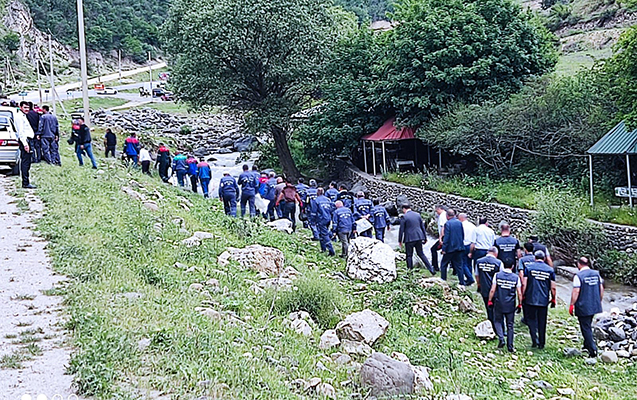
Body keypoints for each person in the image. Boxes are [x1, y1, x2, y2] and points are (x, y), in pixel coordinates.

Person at [570, 257, 604, 358]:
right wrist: (599, 300)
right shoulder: (596, 274)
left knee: (585, 328)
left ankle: (593, 350)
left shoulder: (578, 276)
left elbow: (576, 291)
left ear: (579, 264)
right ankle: (586, 345)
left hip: (583, 306)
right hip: (594, 304)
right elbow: (601, 288)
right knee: (588, 324)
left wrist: (572, 304)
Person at [522, 250, 556, 349]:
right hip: (543, 300)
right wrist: (553, 299)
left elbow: (524, 283)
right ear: (544, 258)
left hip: (530, 298)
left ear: (534, 258)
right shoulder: (550, 270)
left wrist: (522, 296)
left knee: (531, 319)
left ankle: (534, 339)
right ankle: (541, 343)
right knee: (542, 321)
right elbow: (553, 287)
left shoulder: (529, 268)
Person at [488, 261, 523, 352]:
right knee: (510, 325)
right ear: (512, 266)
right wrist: (520, 304)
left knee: (497, 321)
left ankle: (501, 337)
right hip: (510, 304)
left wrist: (490, 300)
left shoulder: (497, 275)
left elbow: (492, 290)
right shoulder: (516, 277)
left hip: (499, 302)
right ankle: (510, 346)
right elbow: (519, 293)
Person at [398, 203, 434, 273]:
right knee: (421, 253)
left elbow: (401, 230)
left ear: (404, 209)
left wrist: (400, 240)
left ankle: (410, 271)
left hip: (409, 238)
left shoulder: (404, 217)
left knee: (409, 255)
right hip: (419, 237)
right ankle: (431, 268)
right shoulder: (418, 215)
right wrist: (425, 237)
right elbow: (422, 227)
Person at [476, 247, 503, 330]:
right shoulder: (498, 263)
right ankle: (500, 328)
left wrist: (479, 285)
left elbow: (477, 275)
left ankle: (491, 326)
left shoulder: (479, 261)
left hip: (484, 288)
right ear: (496, 253)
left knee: (488, 309)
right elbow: (501, 276)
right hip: (496, 290)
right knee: (498, 310)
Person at [441, 209, 465, 284]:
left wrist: (444, 248)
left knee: (444, 264)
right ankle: (462, 282)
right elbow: (462, 235)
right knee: (459, 266)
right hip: (459, 247)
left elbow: (446, 237)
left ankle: (443, 280)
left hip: (450, 248)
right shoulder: (459, 223)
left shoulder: (448, 224)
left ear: (447, 216)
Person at [15, 102, 35, 188]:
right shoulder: (19, 117)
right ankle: (25, 182)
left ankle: (26, 181)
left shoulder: (23, 116)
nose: (27, 109)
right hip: (25, 140)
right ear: (20, 107)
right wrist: (25, 144)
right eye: (25, 107)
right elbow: (21, 132)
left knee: (28, 162)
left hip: (28, 140)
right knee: (25, 162)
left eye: (28, 107)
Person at [310, 187, 335, 256]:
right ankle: (323, 248)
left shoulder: (316, 200)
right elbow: (332, 209)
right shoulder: (328, 200)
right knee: (321, 233)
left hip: (321, 219)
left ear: (317, 193)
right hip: (328, 218)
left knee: (324, 234)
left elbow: (314, 211)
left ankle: (331, 250)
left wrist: (312, 221)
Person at [518, 242, 537, 325]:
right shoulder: (536, 259)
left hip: (526, 281)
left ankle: (526, 318)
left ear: (525, 250)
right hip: (535, 281)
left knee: (525, 299)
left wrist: (522, 284)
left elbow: (521, 272)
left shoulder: (522, 260)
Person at [458, 213, 476, 285]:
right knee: (469, 263)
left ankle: (470, 278)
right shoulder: (473, 226)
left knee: (463, 263)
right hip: (471, 245)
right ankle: (469, 277)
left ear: (461, 218)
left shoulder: (461, 225)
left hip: (464, 245)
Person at [430, 205, 447, 272]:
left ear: (439, 209)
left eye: (436, 211)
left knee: (433, 249)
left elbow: (443, 227)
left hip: (443, 237)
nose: (436, 212)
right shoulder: (445, 214)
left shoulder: (442, 216)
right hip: (445, 236)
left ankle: (435, 266)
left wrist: (440, 238)